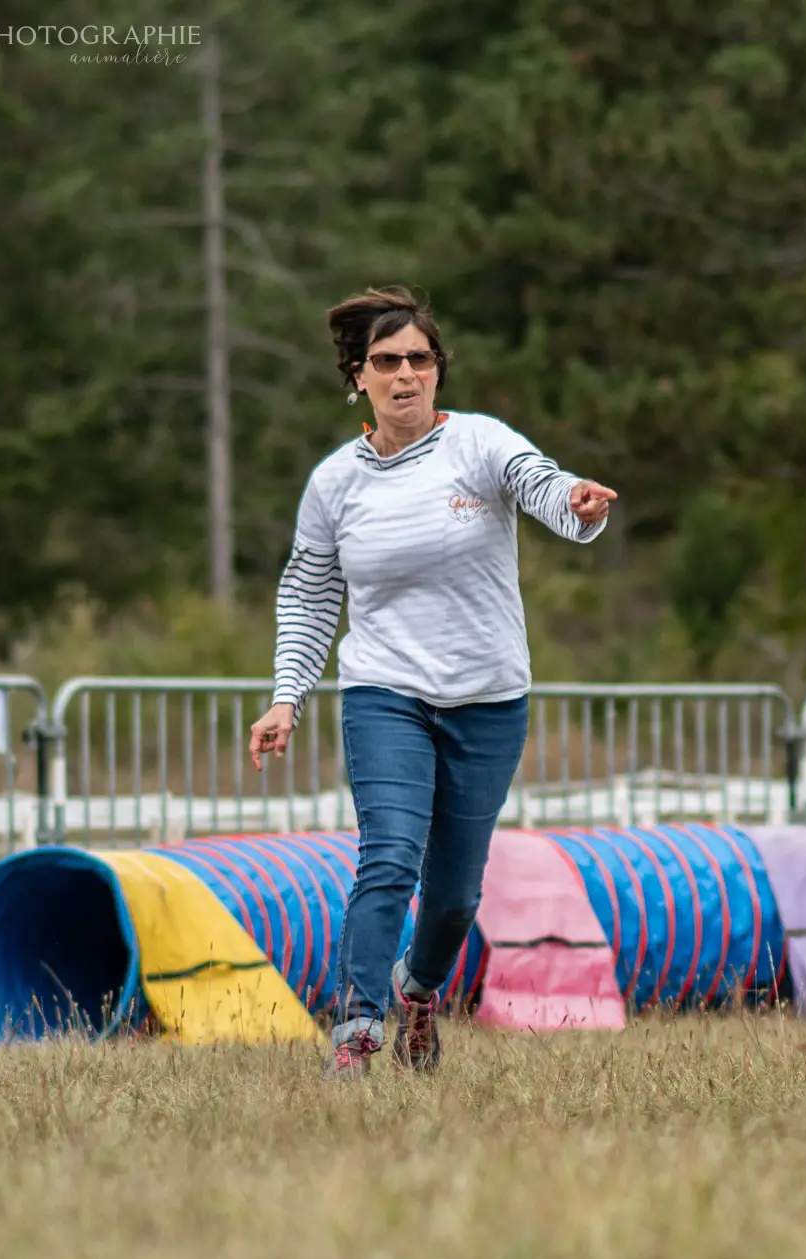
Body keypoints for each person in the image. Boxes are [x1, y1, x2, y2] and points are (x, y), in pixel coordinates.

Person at [246, 287, 616, 1078]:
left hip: (488, 700)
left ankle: (417, 992)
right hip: (386, 693)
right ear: (359, 377)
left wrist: (579, 506)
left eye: (420, 359)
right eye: (387, 362)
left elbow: (543, 483)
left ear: (438, 371)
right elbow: (310, 594)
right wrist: (286, 696)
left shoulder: (479, 445)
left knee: (453, 898)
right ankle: (356, 1026)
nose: (405, 374)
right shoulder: (334, 484)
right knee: (387, 856)